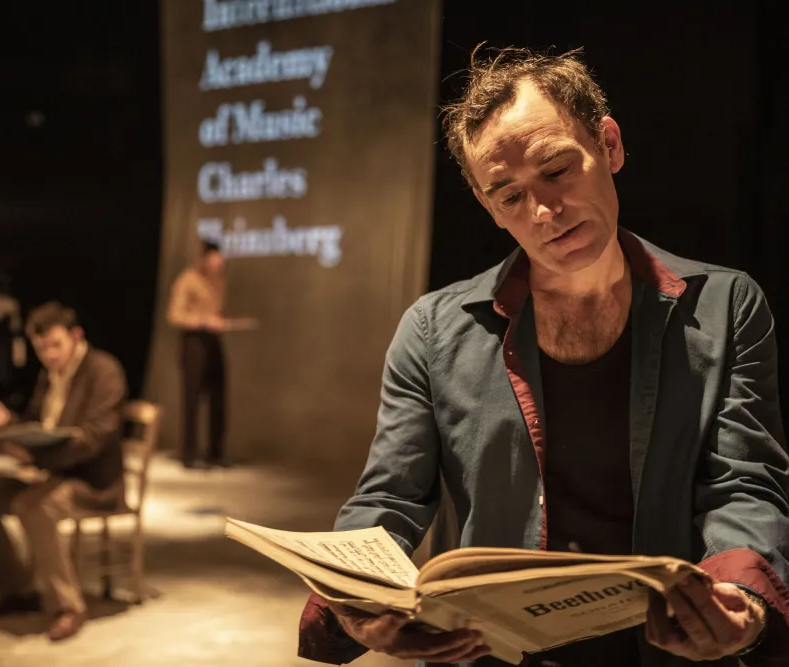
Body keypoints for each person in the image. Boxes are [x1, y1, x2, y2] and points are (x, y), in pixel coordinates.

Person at [297, 46, 789, 667]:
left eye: (557, 170)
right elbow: (389, 499)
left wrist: (742, 601)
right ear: (486, 206)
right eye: (508, 197)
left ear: (608, 144)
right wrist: (358, 602)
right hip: (491, 652)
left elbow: (741, 483)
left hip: (664, 652)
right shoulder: (432, 329)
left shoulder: (724, 305)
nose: (544, 212)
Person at [0, 301, 126, 642]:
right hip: (51, 475)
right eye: (41, 348)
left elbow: (93, 438)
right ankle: (18, 592)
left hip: (93, 482)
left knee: (33, 506)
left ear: (76, 337)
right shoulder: (49, 376)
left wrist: (37, 456)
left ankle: (69, 606)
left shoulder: (103, 371)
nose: (48, 355)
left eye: (55, 346)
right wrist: (6, 424)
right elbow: (38, 426)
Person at [167, 240, 231, 469]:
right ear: (204, 258)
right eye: (214, 258)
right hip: (193, 341)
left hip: (214, 340)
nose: (218, 263)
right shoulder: (188, 280)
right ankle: (189, 454)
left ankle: (215, 452)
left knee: (219, 398)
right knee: (191, 400)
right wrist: (203, 321)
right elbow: (174, 314)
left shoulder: (218, 281)